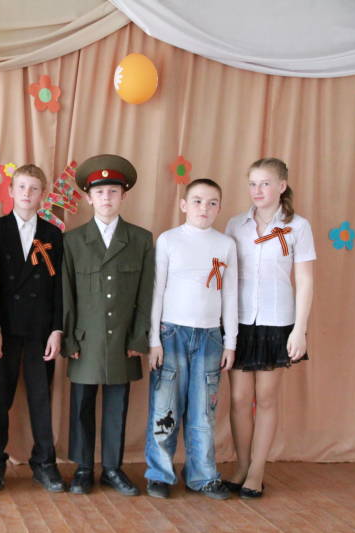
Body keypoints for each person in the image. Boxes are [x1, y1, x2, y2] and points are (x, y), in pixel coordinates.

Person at [62, 154, 154, 496]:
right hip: (85, 339)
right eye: (99, 192)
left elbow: (146, 293)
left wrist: (139, 337)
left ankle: (113, 468)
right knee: (81, 404)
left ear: (123, 196)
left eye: (113, 191)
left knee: (118, 404)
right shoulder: (72, 241)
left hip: (122, 339)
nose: (106, 198)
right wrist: (70, 339)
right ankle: (84, 467)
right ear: (88, 197)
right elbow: (67, 294)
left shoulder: (140, 240)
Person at [224, 157, 315, 499]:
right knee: (238, 398)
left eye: (265, 183)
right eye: (252, 184)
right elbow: (224, 275)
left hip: (277, 323)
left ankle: (257, 471)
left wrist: (299, 329)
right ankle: (241, 465)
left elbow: (305, 281)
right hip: (239, 321)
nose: (258, 190)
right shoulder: (235, 225)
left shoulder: (298, 227)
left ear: (281, 186)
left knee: (265, 398)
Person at [144, 178, 237, 500]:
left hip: (210, 337)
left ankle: (202, 475)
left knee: (203, 413)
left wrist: (230, 341)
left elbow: (230, 294)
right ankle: (159, 473)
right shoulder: (169, 240)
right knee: (165, 407)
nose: (204, 208)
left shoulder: (226, 245)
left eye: (212, 203)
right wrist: (153, 339)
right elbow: (156, 291)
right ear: (184, 204)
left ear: (219, 208)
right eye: (197, 201)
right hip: (171, 334)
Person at [0, 164, 65, 493]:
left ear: (43, 194)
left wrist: (57, 329)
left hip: (40, 330)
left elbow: (59, 287)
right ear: (11, 191)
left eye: (34, 188)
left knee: (41, 398)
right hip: (4, 329)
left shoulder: (53, 234)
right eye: (21, 187)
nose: (27, 193)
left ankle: (44, 462)